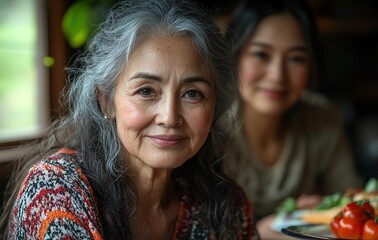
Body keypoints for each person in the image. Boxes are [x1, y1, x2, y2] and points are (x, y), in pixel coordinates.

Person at [0, 0, 259, 239]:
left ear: (215, 105)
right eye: (146, 91)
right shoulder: (55, 191)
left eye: (193, 94)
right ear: (106, 101)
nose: (169, 117)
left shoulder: (225, 207)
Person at [224, 0, 363, 237]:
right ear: (233, 56)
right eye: (261, 54)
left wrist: (330, 206)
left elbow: (354, 201)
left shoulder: (322, 118)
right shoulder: (208, 125)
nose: (278, 75)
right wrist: (256, 233)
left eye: (296, 58)